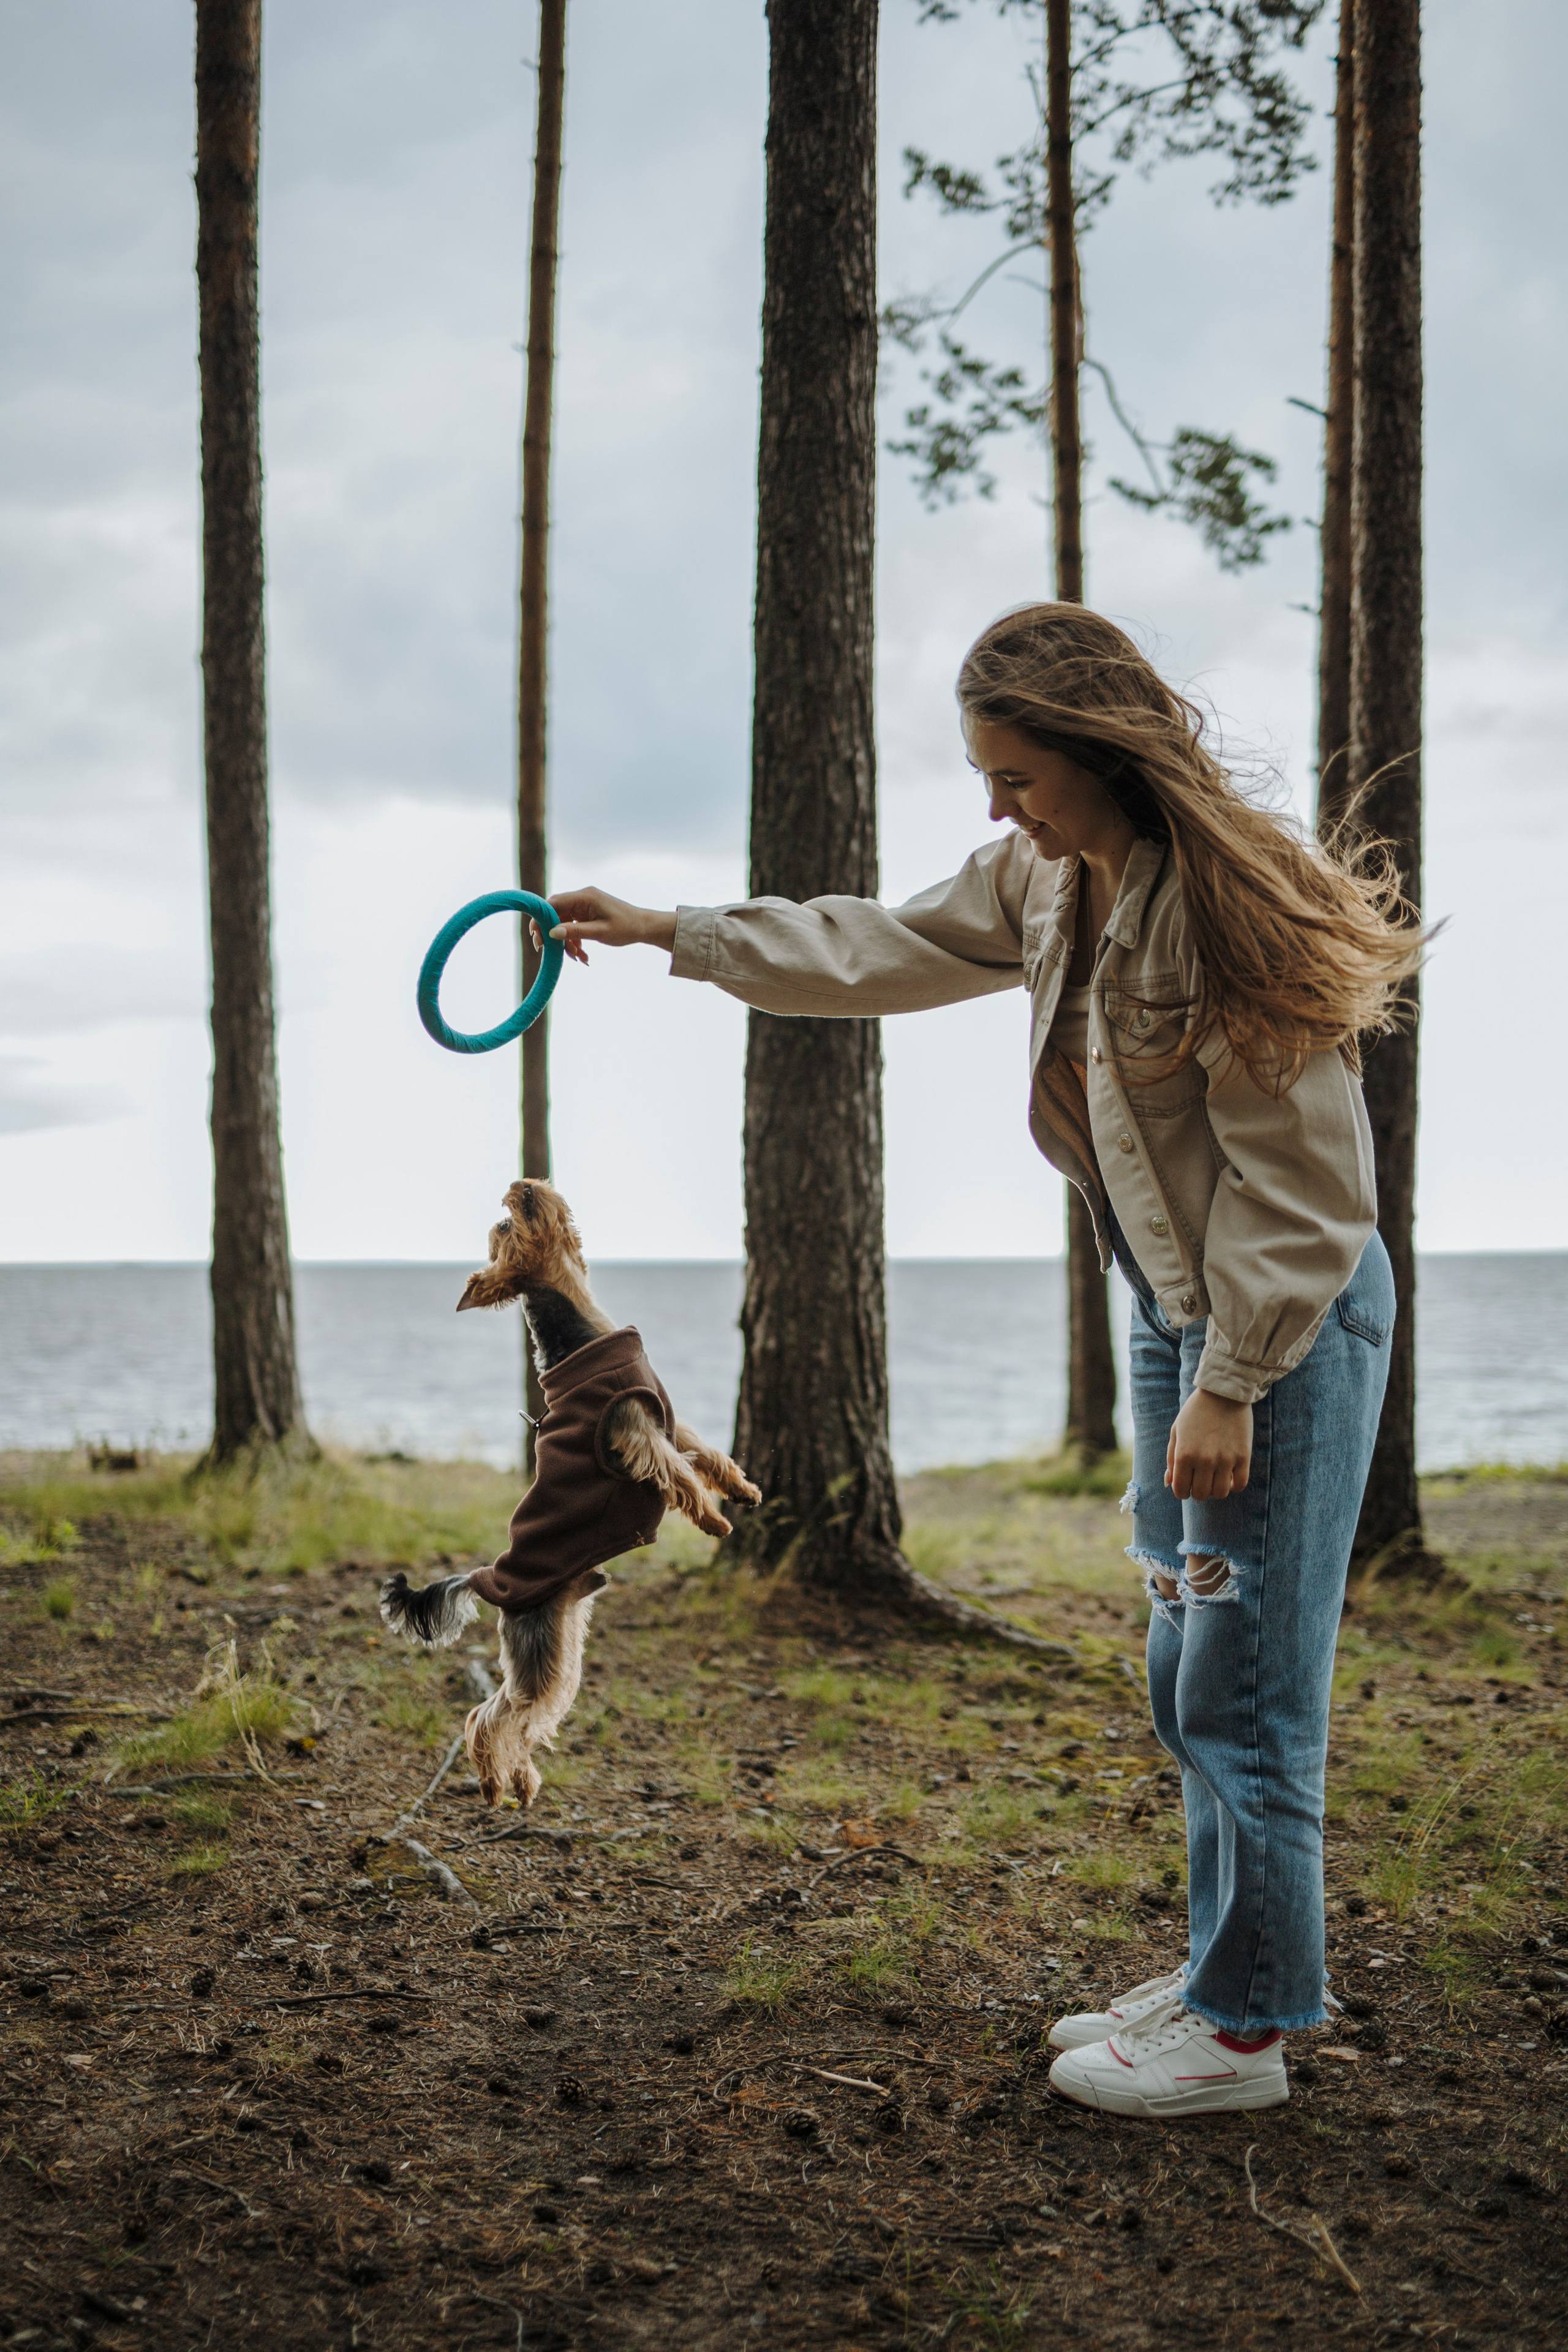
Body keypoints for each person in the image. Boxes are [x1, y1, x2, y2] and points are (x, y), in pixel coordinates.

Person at [543, 602, 1423, 2118]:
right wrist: (672, 933)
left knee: (1247, 1685)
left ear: (1094, 752)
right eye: (986, 777)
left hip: (1271, 1329)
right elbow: (878, 942)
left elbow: (1307, 1181)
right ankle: (1233, 1960)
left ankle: (1242, 2034)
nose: (995, 806)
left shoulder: (1227, 899)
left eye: (1014, 777)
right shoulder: (1044, 877)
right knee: (1183, 1655)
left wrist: (1230, 1380)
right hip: (1171, 1313)